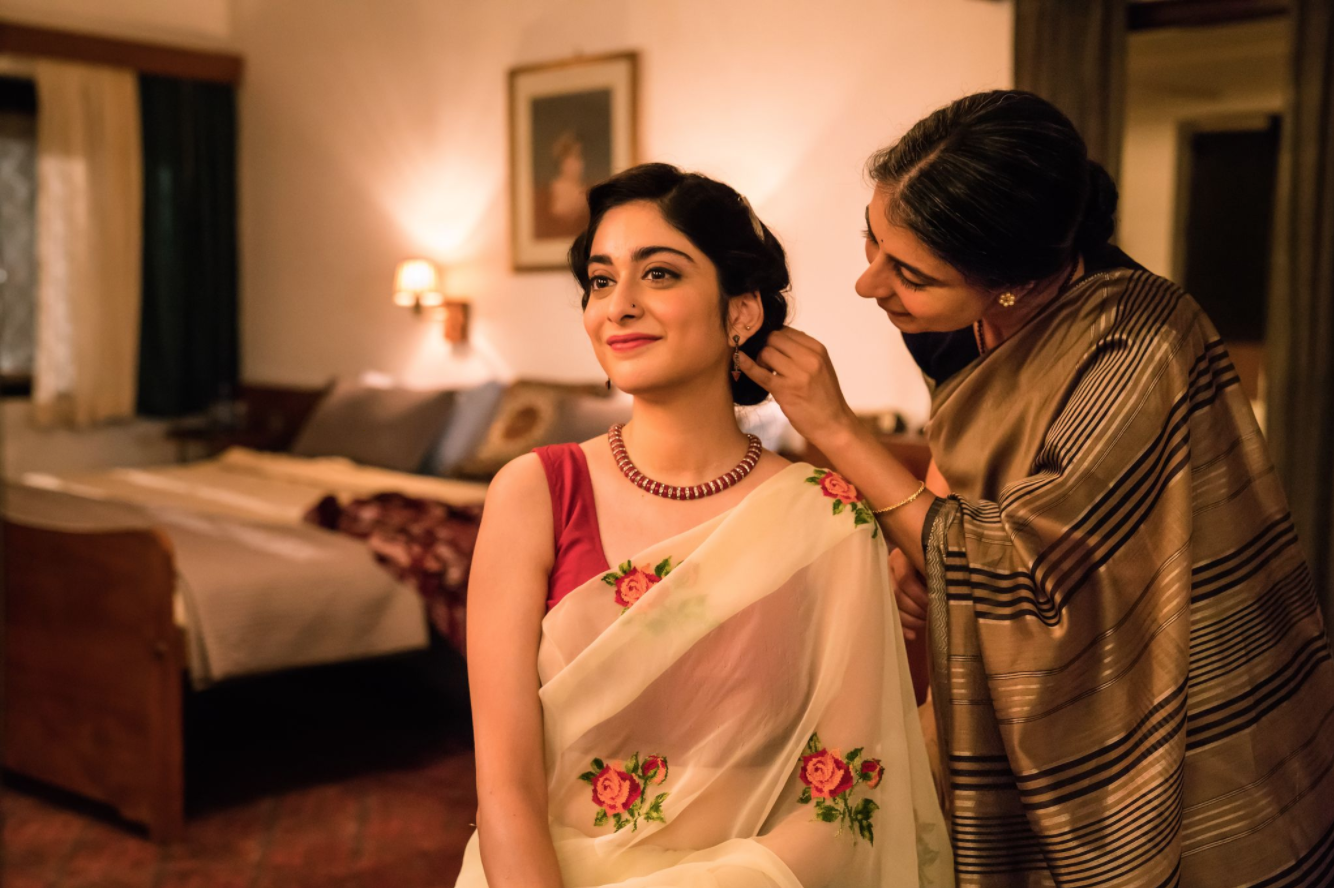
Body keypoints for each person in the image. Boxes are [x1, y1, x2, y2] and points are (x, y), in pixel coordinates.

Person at [737, 90, 1334, 887]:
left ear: (1011, 282)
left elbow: (1028, 567)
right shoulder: (958, 322)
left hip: (1161, 692)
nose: (867, 283)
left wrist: (840, 430)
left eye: (908, 272)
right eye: (871, 240)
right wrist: (922, 560)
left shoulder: (1137, 347)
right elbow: (965, 454)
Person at [457, 163, 951, 888]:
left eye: (658, 274)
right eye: (600, 280)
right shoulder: (534, 494)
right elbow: (505, 789)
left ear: (741, 312)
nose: (618, 305)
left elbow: (849, 794)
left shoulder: (826, 516)